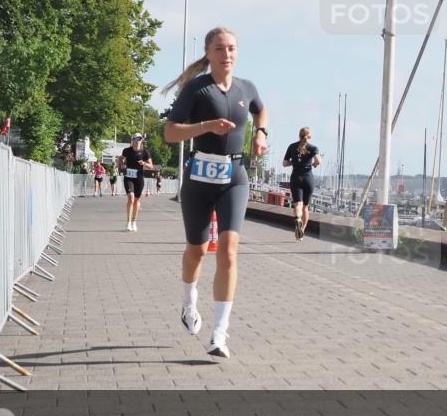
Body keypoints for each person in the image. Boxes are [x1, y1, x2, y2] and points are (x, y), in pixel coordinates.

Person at [163, 26, 267, 358]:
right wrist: (206, 126)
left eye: (232, 48)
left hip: (234, 175)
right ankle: (188, 304)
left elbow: (260, 109)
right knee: (196, 250)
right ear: (208, 53)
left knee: (228, 251)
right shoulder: (196, 89)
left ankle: (219, 334)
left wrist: (261, 133)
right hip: (199, 177)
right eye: (220, 49)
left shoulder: (246, 87)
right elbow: (169, 133)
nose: (227, 54)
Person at [283, 127, 321, 240]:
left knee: (298, 204)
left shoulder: (292, 146)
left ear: (299, 135)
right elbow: (318, 160)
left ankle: (298, 219)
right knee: (305, 207)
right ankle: (302, 229)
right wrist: (313, 164)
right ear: (309, 136)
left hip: (296, 177)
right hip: (308, 177)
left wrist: (294, 162)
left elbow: (285, 163)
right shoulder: (313, 148)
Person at [118, 134, 154, 232]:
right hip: (128, 177)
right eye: (136, 139)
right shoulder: (126, 150)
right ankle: (128, 222)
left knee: (136, 201)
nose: (138, 141)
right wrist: (121, 165)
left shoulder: (145, 152)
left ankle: (134, 222)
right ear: (132, 140)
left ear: (141, 140)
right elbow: (121, 159)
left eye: (139, 139)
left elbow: (151, 166)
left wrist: (144, 163)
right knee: (131, 197)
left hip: (139, 178)